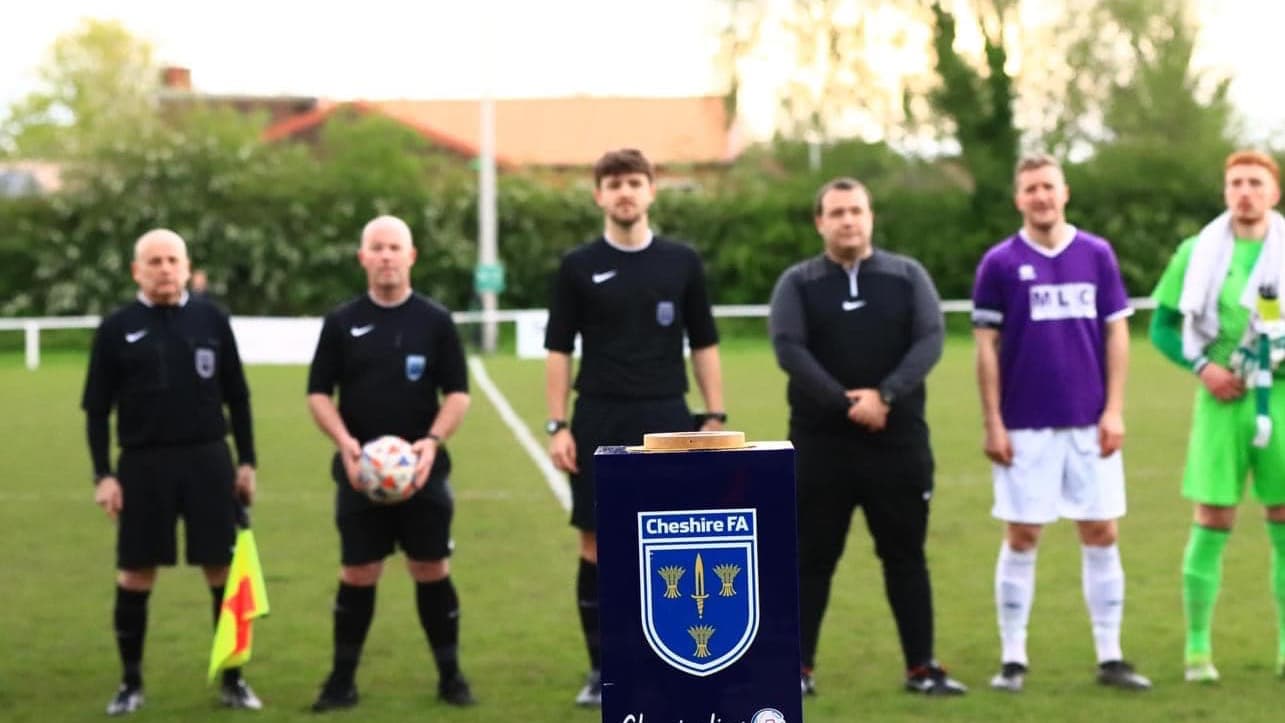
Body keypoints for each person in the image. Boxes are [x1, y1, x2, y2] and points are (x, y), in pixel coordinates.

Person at [769, 177, 965, 696]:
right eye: (836, 213)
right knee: (811, 561)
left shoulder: (907, 276)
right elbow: (789, 348)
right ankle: (798, 670)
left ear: (871, 217)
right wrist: (846, 403)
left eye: (856, 210)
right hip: (820, 449)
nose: (848, 220)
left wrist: (887, 396)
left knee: (905, 558)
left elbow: (930, 339)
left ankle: (921, 668)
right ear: (820, 222)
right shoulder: (798, 283)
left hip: (897, 446)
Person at [544, 148, 726, 706]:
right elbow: (558, 350)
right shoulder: (577, 266)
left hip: (668, 415)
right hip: (599, 415)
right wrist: (557, 424)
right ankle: (602, 669)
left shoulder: (682, 262)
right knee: (596, 544)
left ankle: (667, 657)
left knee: (670, 543)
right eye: (614, 183)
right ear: (599, 195)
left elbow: (705, 342)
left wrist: (715, 415)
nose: (625, 193)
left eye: (635, 182)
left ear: (652, 191)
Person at [972, 153, 1151, 693]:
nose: (1041, 197)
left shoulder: (1096, 254)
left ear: (1065, 192)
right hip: (1025, 423)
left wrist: (1114, 409)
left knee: (1100, 530)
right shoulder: (998, 263)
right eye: (1031, 190)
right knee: (1023, 534)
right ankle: (1013, 658)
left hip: (1089, 423)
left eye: (1048, 187)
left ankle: (1110, 655)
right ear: (1018, 198)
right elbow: (986, 348)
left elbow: (1117, 335)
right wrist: (993, 423)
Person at [81, 229, 261, 715]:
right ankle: (130, 683)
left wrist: (247, 461)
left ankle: (233, 680)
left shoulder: (211, 319)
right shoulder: (118, 328)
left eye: (172, 260)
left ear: (186, 266)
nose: (164, 269)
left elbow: (238, 396)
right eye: (154, 261)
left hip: (208, 460)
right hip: (142, 465)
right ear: (137, 270)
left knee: (223, 573)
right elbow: (97, 410)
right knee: (136, 573)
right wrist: (104, 475)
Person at [306, 215, 475, 711]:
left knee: (431, 568)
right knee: (358, 573)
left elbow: (458, 394)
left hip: (422, 474)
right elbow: (318, 393)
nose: (385, 256)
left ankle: (450, 677)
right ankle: (341, 682)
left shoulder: (435, 321)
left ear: (410, 256)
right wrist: (344, 442)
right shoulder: (341, 322)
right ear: (363, 257)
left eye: (393, 247)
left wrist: (431, 443)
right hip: (361, 475)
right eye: (376, 248)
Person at [1150, 149, 1285, 683]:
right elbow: (1163, 326)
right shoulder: (1197, 251)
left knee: (1282, 520)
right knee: (1212, 518)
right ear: (1225, 192)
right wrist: (1202, 367)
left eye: (1255, 182)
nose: (1245, 192)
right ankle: (1197, 650)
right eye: (1235, 183)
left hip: (1278, 401)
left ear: (1274, 192)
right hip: (1220, 401)